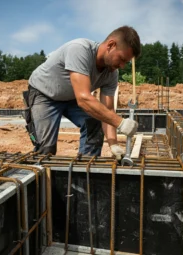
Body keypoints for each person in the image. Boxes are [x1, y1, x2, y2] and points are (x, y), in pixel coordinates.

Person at [23, 25, 141, 159]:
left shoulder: (111, 73)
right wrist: (121, 123)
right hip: (44, 94)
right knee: (45, 149)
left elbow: (108, 110)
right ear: (111, 45)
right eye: (122, 59)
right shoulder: (79, 49)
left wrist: (113, 143)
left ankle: (86, 170)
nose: (122, 65)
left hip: (71, 95)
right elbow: (83, 99)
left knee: (95, 121)